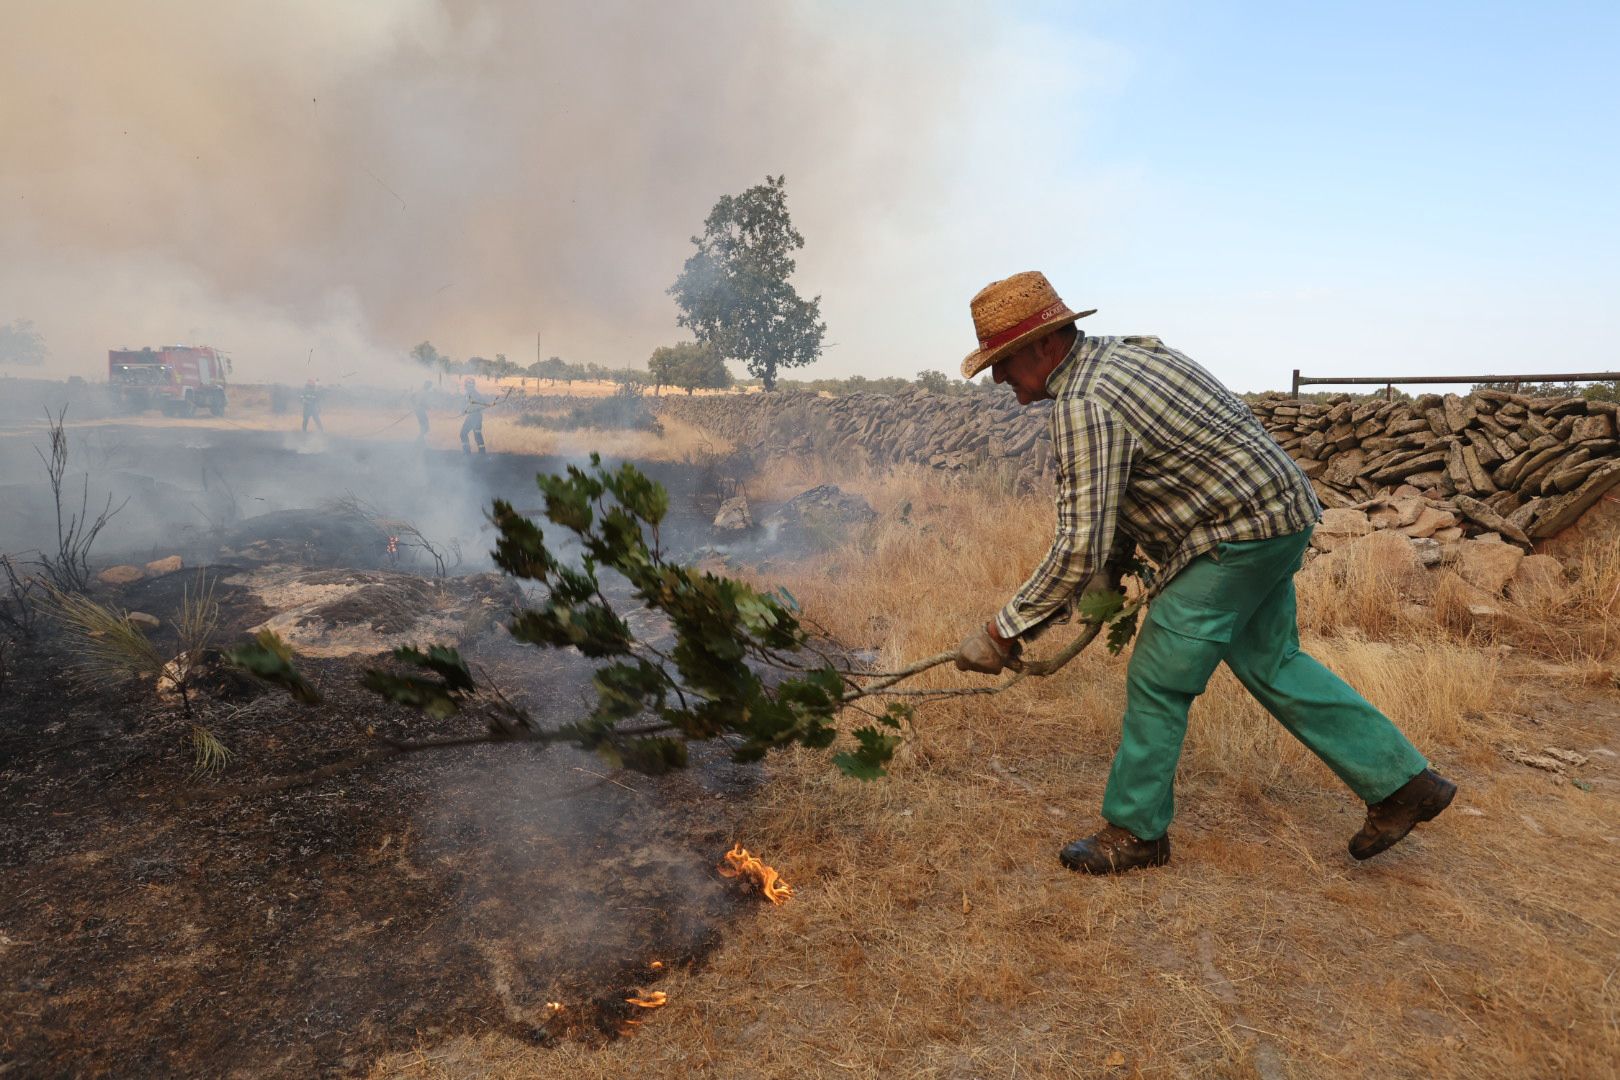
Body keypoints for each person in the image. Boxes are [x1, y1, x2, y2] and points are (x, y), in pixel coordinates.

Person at [951, 271, 1455, 874]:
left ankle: (1135, 832)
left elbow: (1077, 542)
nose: (1001, 377)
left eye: (1004, 361)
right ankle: (1404, 783)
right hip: (1282, 515)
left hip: (1232, 536)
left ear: (1045, 344)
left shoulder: (1084, 404)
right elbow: (1138, 484)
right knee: (1273, 661)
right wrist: (1110, 574)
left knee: (1160, 678)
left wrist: (1003, 631)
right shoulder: (1128, 355)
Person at [460, 376, 494, 454]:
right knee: (463, 433)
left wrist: (474, 409)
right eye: (466, 385)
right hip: (471, 417)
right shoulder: (467, 394)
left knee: (477, 434)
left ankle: (481, 453)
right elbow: (466, 405)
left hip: (476, 417)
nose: (465, 387)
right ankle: (467, 452)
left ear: (470, 386)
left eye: (466, 385)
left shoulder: (476, 394)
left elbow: (484, 404)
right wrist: (463, 411)